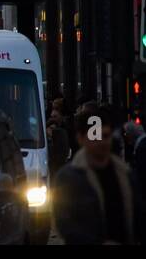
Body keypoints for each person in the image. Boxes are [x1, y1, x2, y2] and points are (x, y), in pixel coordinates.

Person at [53, 104, 144, 245]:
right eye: (95, 137)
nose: (101, 142)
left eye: (105, 136)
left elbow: (138, 216)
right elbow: (66, 224)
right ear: (81, 138)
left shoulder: (125, 174)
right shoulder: (68, 178)